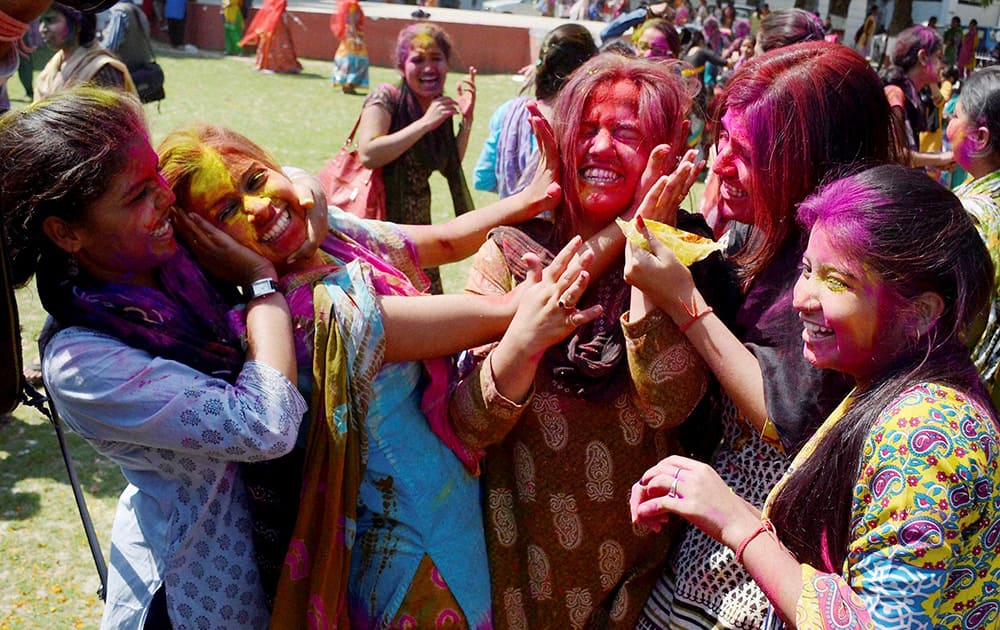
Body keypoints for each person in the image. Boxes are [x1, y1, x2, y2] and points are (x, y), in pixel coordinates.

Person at [157, 113, 594, 628]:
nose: (259, 207)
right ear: (206, 249)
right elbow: (492, 318)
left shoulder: (330, 237)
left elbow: (445, 241)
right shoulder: (298, 314)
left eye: (256, 180)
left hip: (447, 508)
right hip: (409, 550)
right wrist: (569, 272)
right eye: (228, 210)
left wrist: (530, 200)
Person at [629, 164, 1000, 629]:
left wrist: (736, 525)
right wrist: (716, 500)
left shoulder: (926, 431)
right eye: (807, 270)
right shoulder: (889, 384)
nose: (801, 299)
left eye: (837, 282)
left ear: (921, 311)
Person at [0, 87, 309, 628]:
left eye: (158, 180)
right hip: (198, 596)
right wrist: (262, 287)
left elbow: (298, 190)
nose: (166, 198)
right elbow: (267, 426)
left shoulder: (182, 255)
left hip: (292, 564)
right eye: (139, 194)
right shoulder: (82, 362)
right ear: (66, 232)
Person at [629, 42, 902, 630]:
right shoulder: (762, 236)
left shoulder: (842, 273)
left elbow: (788, 419)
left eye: (745, 151)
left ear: (811, 163)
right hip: (708, 548)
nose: (720, 163)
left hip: (766, 565)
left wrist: (684, 301)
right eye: (721, 138)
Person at [449, 52, 711, 629]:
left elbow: (670, 400)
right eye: (585, 130)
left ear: (664, 151)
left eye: (625, 133)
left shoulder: (689, 253)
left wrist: (641, 249)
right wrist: (525, 341)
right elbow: (469, 422)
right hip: (510, 563)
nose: (598, 148)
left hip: (631, 581)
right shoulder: (513, 249)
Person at [357, 23, 476, 293]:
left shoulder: (439, 105)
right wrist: (424, 124)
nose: (428, 68)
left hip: (419, 234)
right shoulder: (386, 97)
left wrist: (466, 122)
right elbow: (368, 153)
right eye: (418, 60)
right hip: (380, 227)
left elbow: (448, 165)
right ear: (402, 66)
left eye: (436, 59)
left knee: (426, 307)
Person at [474, 23, 597, 198]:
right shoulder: (589, 122)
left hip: (511, 221)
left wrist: (517, 196)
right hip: (567, 224)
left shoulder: (509, 112)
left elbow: (483, 178)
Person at [946, 66, 1000, 406]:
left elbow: (958, 323)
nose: (948, 128)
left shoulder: (973, 219)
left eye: (954, 116)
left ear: (979, 138)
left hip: (970, 392)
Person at [881, 25, 955, 171]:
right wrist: (939, 158)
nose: (942, 66)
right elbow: (897, 156)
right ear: (922, 57)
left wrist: (934, 161)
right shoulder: (895, 94)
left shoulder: (911, 95)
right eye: (939, 57)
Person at [35, 2, 135, 101]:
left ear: (77, 25)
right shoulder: (53, 66)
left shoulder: (101, 69)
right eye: (40, 21)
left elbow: (114, 114)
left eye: (50, 20)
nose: (42, 29)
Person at [239, 0, 302, 74]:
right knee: (273, 42)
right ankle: (271, 65)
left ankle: (277, 65)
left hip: (275, 21)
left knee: (277, 42)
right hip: (272, 21)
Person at [100, 0, 154, 72]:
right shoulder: (140, 12)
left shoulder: (120, 11)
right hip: (142, 70)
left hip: (125, 70)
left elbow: (110, 47)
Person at [330, 0, 367, 94]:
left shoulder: (350, 4)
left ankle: (347, 83)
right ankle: (349, 83)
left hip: (350, 36)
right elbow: (352, 22)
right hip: (353, 36)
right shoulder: (353, 5)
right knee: (354, 60)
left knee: (347, 58)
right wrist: (356, 37)